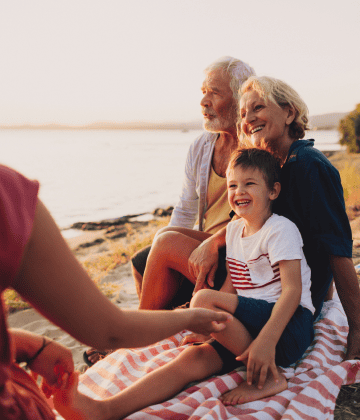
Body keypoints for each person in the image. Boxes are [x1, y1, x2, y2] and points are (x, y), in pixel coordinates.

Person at [52, 147, 315, 419]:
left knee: (202, 300)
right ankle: (105, 409)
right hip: (251, 330)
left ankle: (269, 378)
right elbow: (232, 287)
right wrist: (212, 330)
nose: (239, 192)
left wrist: (266, 342)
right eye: (233, 185)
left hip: (287, 328)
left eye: (250, 184)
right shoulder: (235, 230)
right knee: (192, 358)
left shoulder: (281, 230)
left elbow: (293, 291)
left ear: (273, 191)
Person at [189, 75, 360, 367]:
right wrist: (214, 242)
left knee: (168, 245)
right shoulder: (270, 163)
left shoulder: (310, 167)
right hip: (255, 274)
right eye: (243, 113)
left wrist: (358, 334)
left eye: (258, 107)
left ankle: (146, 330)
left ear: (289, 113)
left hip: (282, 292)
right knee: (166, 241)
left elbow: (338, 252)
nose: (248, 119)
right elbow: (239, 221)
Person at [0, 164, 232, 420]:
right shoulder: (8, 193)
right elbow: (108, 330)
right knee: (158, 245)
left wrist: (26, 344)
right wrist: (192, 317)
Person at [85, 56, 255, 366]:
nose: (204, 101)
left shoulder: (256, 148)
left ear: (241, 95)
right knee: (145, 258)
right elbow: (186, 208)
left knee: (164, 245)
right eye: (203, 91)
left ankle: (131, 338)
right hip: (203, 245)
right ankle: (157, 328)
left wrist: (189, 245)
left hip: (237, 251)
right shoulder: (202, 147)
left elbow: (254, 219)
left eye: (214, 92)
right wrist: (163, 248)